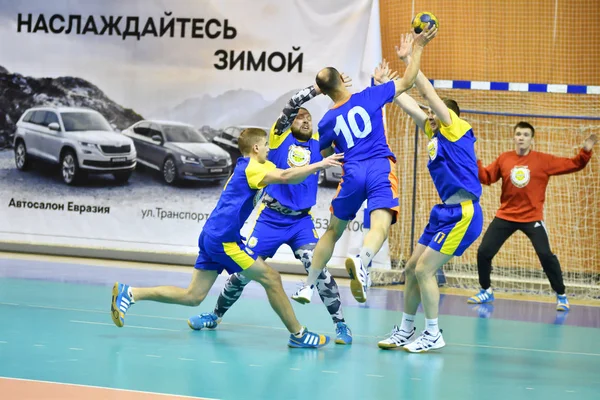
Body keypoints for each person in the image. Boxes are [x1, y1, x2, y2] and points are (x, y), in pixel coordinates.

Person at [110, 128, 344, 348]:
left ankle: (130, 293)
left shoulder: (249, 166)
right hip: (224, 240)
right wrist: (320, 164)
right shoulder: (254, 168)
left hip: (211, 234)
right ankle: (298, 334)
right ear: (255, 148)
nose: (267, 149)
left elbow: (283, 169)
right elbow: (286, 176)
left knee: (193, 296)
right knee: (272, 278)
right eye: (264, 145)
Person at [187, 83, 353, 345]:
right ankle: (215, 315)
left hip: (301, 222)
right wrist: (317, 89)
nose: (305, 119)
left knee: (318, 268)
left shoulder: (318, 143)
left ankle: (341, 325)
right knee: (241, 274)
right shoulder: (278, 138)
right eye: (300, 116)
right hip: (270, 220)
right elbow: (290, 107)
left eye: (309, 117)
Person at [290, 25, 438, 306]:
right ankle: (363, 260)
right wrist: (417, 49)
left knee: (333, 231)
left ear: (323, 92)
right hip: (380, 166)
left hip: (353, 172)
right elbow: (407, 81)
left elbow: (323, 152)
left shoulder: (326, 122)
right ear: (343, 82)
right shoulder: (370, 96)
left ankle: (308, 286)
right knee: (380, 224)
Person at [375, 32, 483, 353]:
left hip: (463, 213)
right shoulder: (435, 133)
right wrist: (387, 86)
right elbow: (409, 101)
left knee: (424, 270)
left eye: (436, 112)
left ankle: (433, 332)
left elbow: (427, 92)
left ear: (450, 116)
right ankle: (406, 329)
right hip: (443, 211)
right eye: (431, 114)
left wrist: (412, 57)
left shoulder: (457, 128)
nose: (431, 115)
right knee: (410, 268)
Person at [467, 122, 597, 311]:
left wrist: (585, 151)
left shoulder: (543, 161)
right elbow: (487, 177)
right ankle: (486, 290)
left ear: (531, 139)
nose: (521, 137)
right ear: (514, 137)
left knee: (545, 255)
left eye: (526, 135)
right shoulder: (504, 158)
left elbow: (573, 164)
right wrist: (476, 161)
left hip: (532, 218)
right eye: (518, 134)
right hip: (506, 216)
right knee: (483, 252)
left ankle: (561, 295)